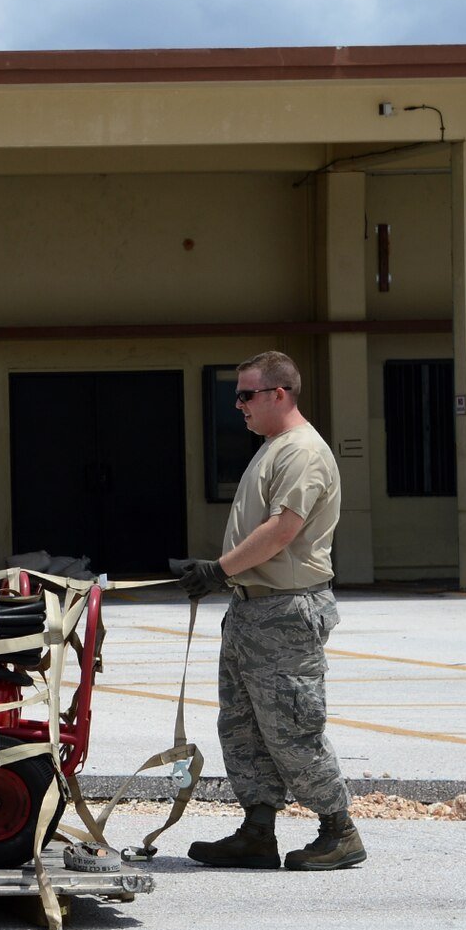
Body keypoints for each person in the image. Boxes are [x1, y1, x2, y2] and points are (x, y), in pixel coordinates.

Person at [174, 351, 364, 872]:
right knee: (243, 727)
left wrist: (218, 570)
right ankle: (258, 830)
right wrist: (224, 578)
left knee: (291, 727)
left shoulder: (303, 451)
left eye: (246, 395)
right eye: (237, 395)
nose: (238, 405)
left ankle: (338, 830)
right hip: (252, 610)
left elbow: (284, 531)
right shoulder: (273, 448)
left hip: (285, 612)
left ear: (280, 394)